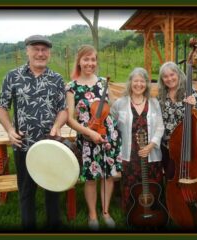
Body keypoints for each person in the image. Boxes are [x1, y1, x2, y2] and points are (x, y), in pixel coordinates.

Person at [0, 35, 68, 231]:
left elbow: (63, 109)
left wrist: (57, 125)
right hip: (23, 144)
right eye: (36, 49)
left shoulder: (57, 79)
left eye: (44, 50)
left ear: (49, 53)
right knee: (26, 191)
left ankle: (54, 226)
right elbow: (1, 107)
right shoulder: (13, 76)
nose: (40, 53)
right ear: (27, 51)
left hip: (50, 144)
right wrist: (10, 130)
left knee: (53, 187)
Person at [65, 45, 122, 230]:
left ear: (96, 62)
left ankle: (105, 212)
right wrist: (89, 133)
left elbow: (116, 107)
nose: (90, 63)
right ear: (79, 61)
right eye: (86, 59)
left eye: (93, 60)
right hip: (88, 138)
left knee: (108, 176)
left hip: (108, 137)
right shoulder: (71, 87)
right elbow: (70, 120)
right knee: (90, 178)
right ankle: (92, 215)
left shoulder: (103, 83)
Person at [110, 67, 166, 221]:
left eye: (142, 81)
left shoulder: (154, 103)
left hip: (151, 154)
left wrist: (151, 145)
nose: (139, 84)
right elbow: (111, 125)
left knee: (153, 186)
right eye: (136, 81)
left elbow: (160, 127)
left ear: (147, 84)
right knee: (131, 186)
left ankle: (155, 214)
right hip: (129, 155)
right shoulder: (120, 104)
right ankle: (132, 215)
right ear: (130, 83)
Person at [157, 61, 197, 180]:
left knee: (186, 174)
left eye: (172, 75)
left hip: (186, 143)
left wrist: (194, 107)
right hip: (166, 144)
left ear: (178, 74)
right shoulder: (161, 95)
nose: (169, 79)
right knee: (170, 175)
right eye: (165, 76)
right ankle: (172, 197)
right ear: (162, 79)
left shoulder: (190, 92)